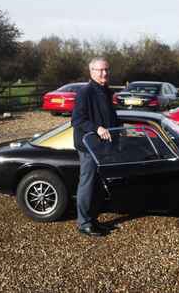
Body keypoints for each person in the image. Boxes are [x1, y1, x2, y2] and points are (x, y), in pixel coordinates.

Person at [72, 57, 119, 237]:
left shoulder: (107, 91)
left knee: (98, 186)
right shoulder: (85, 92)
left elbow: (110, 118)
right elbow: (77, 120)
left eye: (106, 70)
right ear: (91, 72)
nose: (104, 73)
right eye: (100, 70)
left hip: (103, 147)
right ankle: (83, 223)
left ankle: (93, 219)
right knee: (87, 184)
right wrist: (97, 128)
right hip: (88, 146)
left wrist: (123, 131)